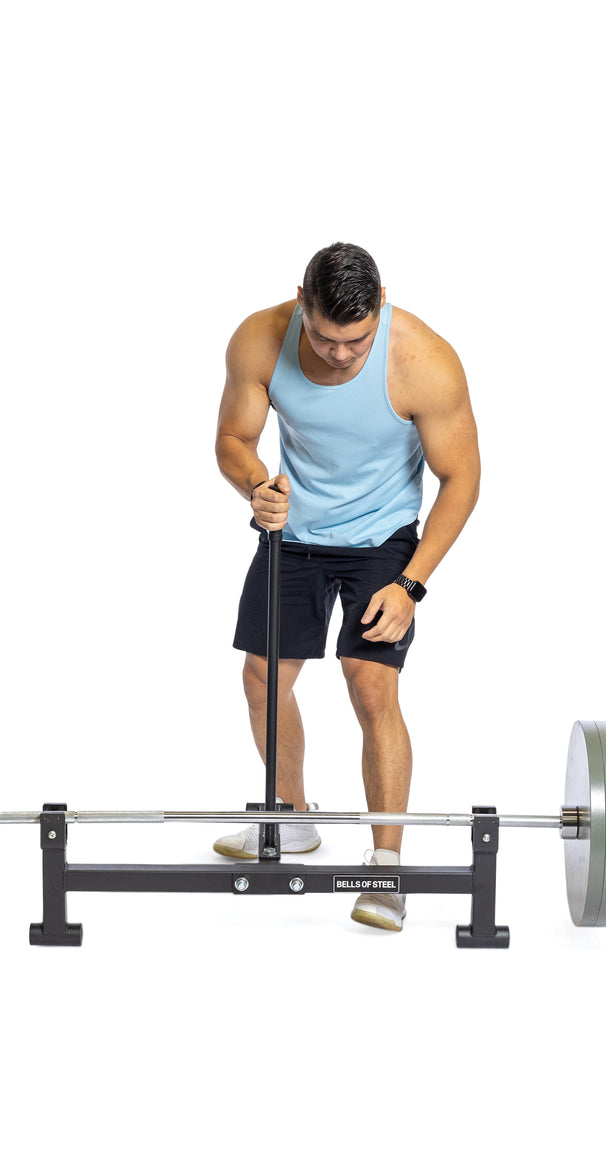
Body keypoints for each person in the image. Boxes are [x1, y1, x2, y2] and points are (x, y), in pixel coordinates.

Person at [212, 242, 480, 932]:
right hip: (294, 529)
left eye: (356, 340)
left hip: (382, 542)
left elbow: (463, 480)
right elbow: (233, 439)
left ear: (381, 304)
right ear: (302, 304)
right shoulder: (259, 339)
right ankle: (292, 820)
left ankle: (386, 867)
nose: (339, 354)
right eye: (327, 339)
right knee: (262, 677)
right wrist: (256, 485)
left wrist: (411, 584)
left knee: (369, 682)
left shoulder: (424, 360)